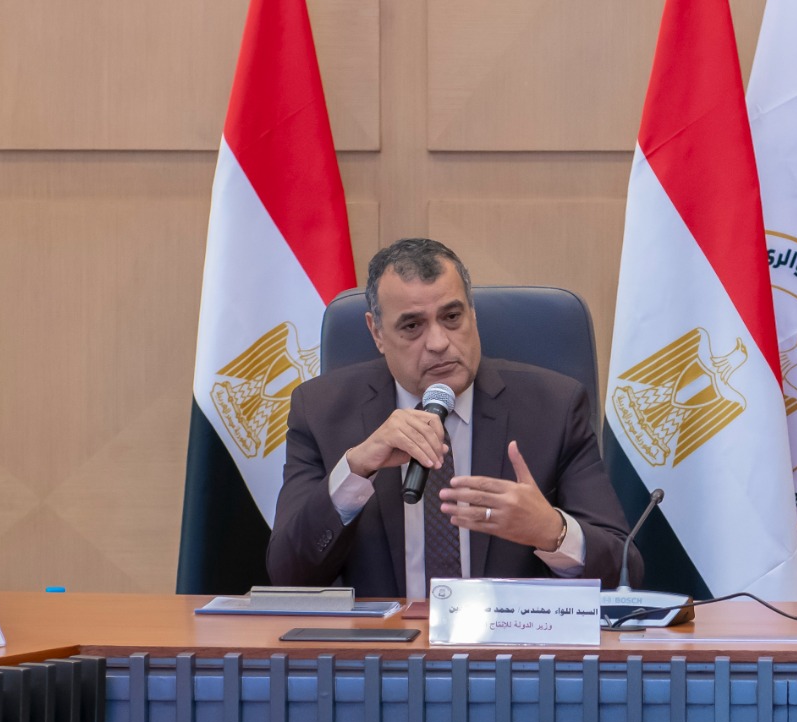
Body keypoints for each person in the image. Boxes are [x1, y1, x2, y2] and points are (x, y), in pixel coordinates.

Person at [268, 238, 639, 596]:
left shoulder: (554, 408)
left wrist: (552, 531)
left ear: (472, 314)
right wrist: (356, 469)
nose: (439, 343)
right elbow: (288, 576)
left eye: (451, 317)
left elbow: (625, 571)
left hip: (507, 636)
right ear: (377, 332)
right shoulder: (320, 411)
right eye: (412, 326)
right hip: (383, 638)